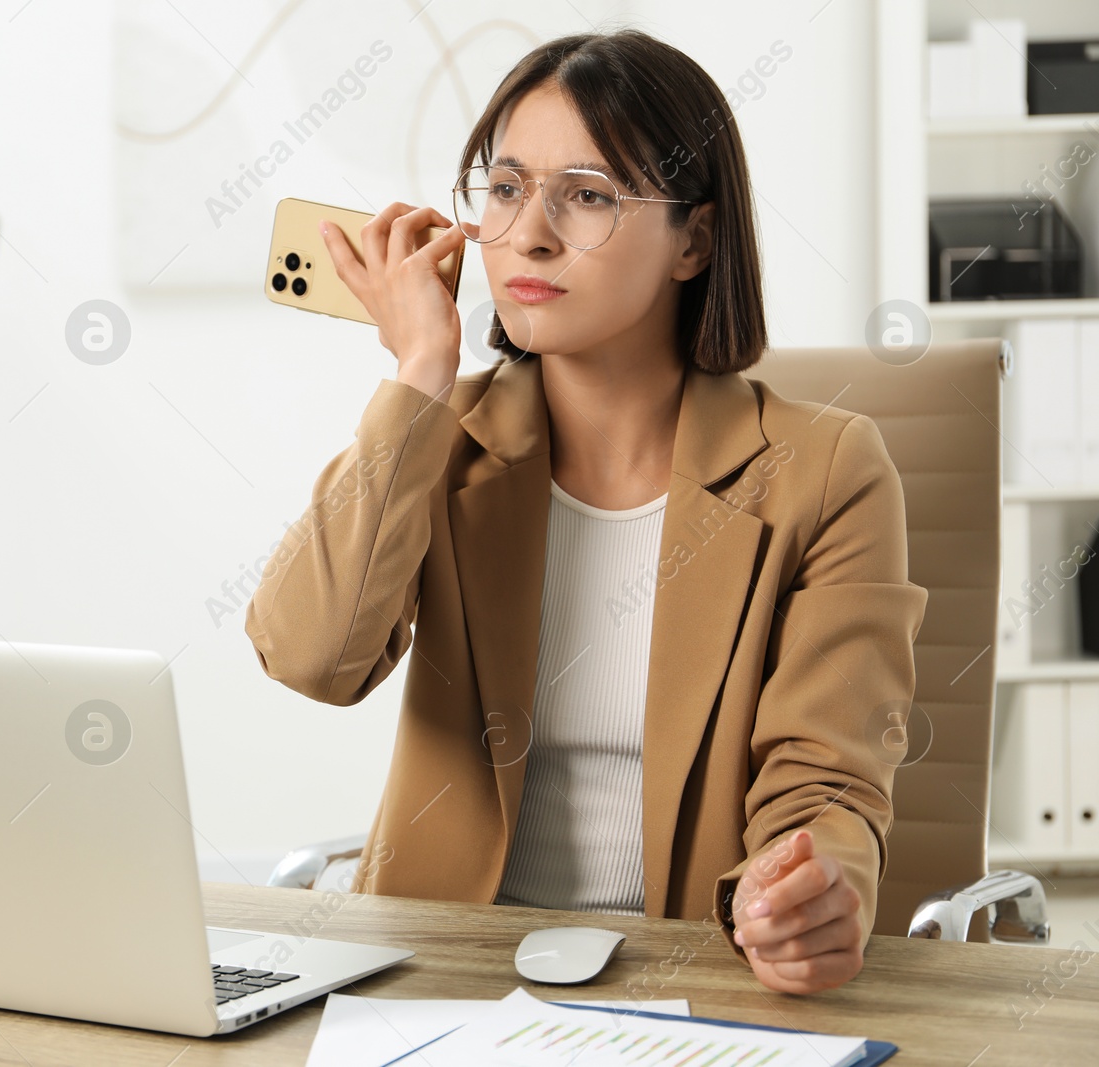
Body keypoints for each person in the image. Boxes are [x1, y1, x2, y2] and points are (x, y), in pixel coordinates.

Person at [243, 28, 927, 995]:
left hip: (693, 986)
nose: (530, 233)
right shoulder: (439, 435)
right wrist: (422, 373)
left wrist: (808, 886)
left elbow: (826, 780)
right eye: (508, 187)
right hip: (443, 975)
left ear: (694, 239)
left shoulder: (827, 470)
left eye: (590, 195)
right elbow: (313, 656)